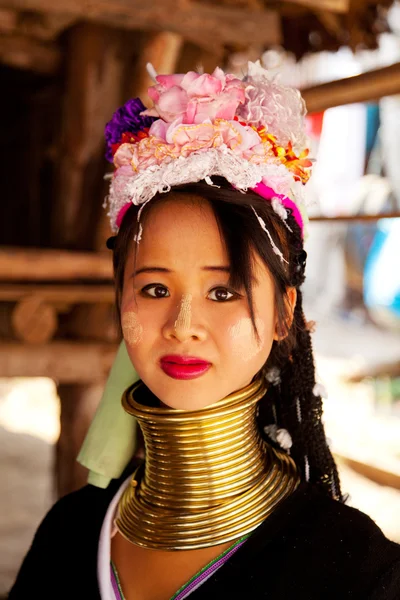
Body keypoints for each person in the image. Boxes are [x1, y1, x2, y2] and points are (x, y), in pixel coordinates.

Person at [9, 61, 400, 600]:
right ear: (120, 296)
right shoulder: (68, 536)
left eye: (223, 292)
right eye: (154, 289)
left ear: (285, 311)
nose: (183, 327)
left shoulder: (354, 572)